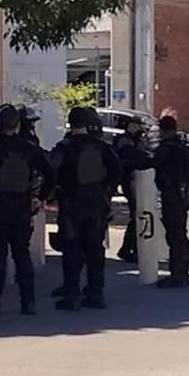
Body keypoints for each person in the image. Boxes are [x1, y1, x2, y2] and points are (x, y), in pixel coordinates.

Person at [0, 104, 55, 316]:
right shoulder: (30, 149)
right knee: (22, 256)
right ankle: (29, 302)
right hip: (22, 208)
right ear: (18, 125)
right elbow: (50, 175)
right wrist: (39, 197)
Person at [50, 107, 122, 310]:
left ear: (70, 124)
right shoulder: (102, 147)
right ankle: (96, 293)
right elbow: (117, 170)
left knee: (72, 250)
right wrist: (106, 190)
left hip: (71, 204)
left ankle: (71, 295)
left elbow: (51, 169)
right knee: (95, 250)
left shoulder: (65, 147)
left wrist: (52, 192)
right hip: (96, 203)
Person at [151, 115, 189, 288]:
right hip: (184, 194)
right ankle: (183, 272)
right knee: (181, 234)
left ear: (163, 130)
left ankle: (176, 274)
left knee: (174, 235)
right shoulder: (184, 147)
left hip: (171, 194)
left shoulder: (166, 148)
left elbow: (152, 162)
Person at [115, 115, 150, 263]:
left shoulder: (138, 140)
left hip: (140, 180)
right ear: (130, 126)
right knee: (137, 214)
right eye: (137, 125)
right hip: (130, 181)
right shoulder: (124, 140)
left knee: (138, 214)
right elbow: (130, 155)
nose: (140, 128)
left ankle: (132, 247)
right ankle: (128, 248)